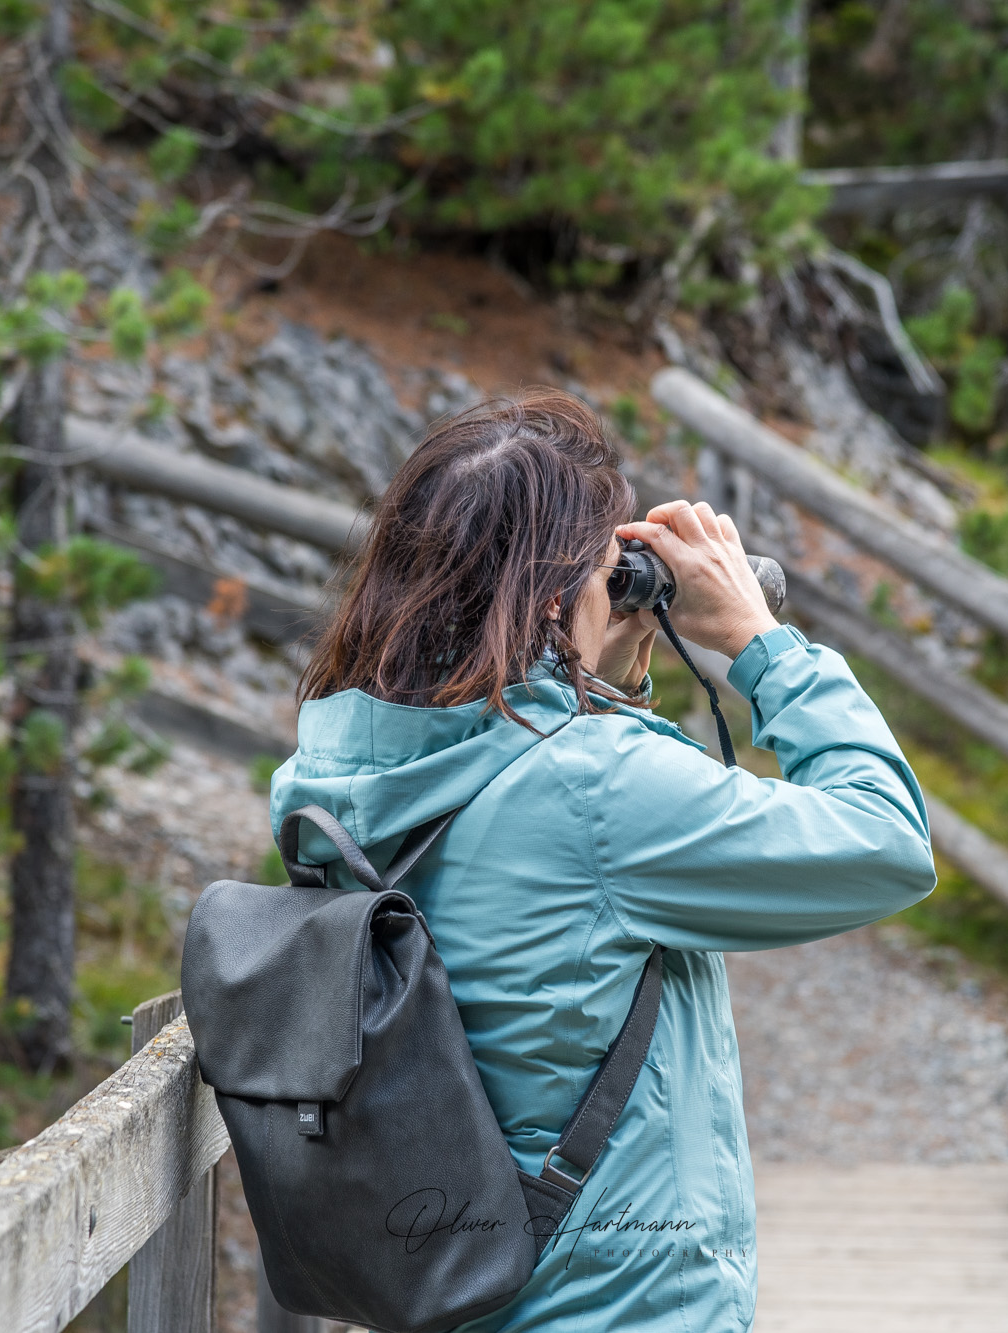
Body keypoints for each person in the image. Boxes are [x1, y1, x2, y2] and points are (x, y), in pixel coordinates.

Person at [271, 389, 935, 1331]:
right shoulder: (595, 783)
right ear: (554, 596)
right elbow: (888, 839)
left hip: (445, 1290)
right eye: (606, 571)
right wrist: (762, 644)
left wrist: (588, 673)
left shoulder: (331, 772)